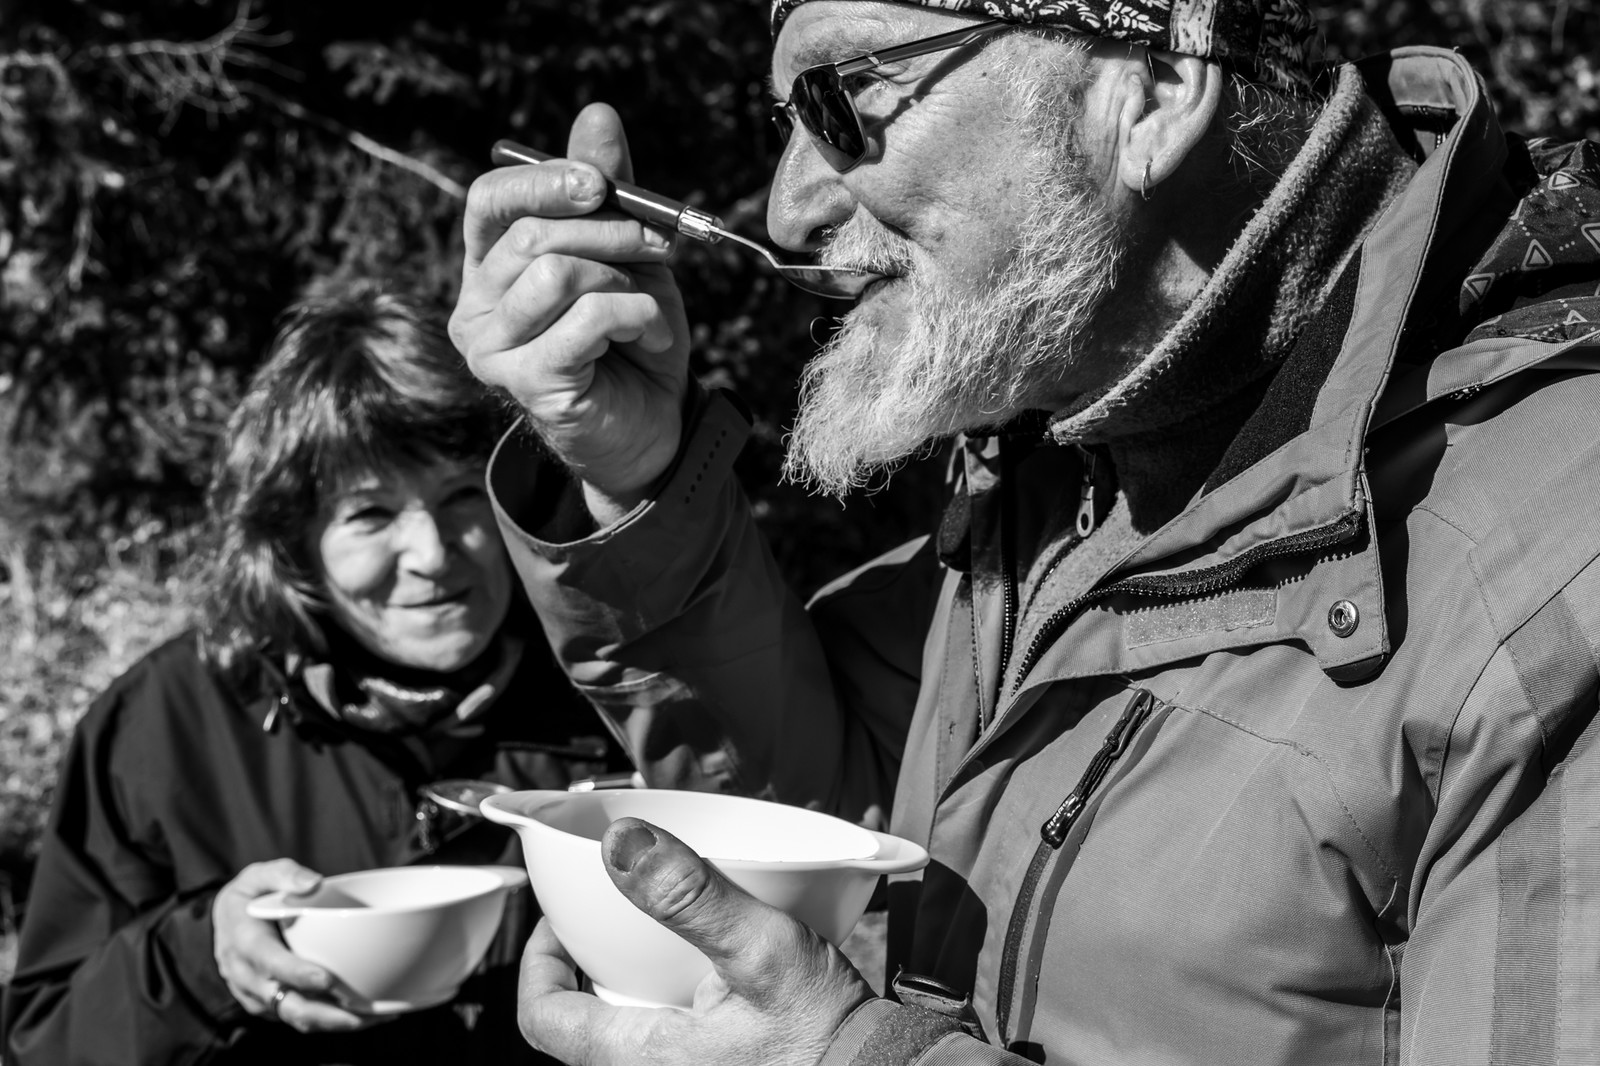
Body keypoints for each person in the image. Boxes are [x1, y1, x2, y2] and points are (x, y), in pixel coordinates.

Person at [451, 0, 1600, 1062]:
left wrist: (843, 1055)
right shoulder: (1054, 463)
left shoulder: (1556, 564)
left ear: (1149, 82)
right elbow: (859, 829)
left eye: (840, 98)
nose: (787, 203)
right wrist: (635, 474)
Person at [0, 282, 632, 1065]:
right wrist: (207, 962)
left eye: (461, 495)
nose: (434, 555)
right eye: (369, 514)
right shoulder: (163, 724)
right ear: (293, 545)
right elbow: (45, 1044)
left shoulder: (606, 686)